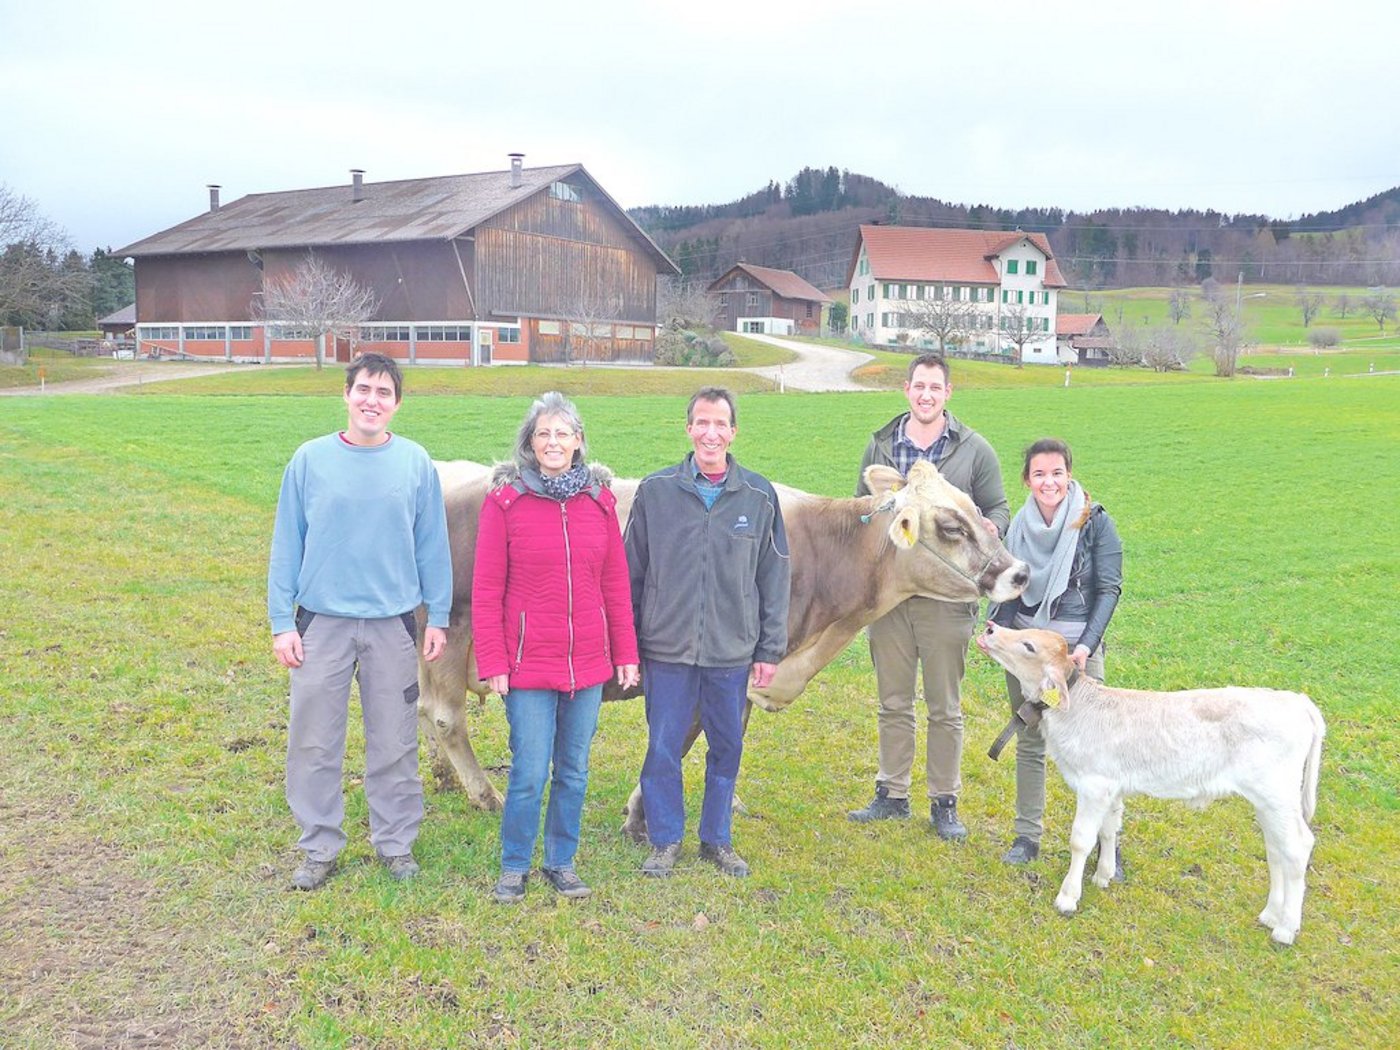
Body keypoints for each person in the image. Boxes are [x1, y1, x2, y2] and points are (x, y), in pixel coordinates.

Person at [268, 352, 452, 891]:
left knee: (394, 739)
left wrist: (436, 616)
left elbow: (432, 549)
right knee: (313, 740)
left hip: (392, 626)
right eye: (364, 389)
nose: (372, 401)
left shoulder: (416, 463)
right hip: (320, 623)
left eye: (384, 393)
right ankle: (319, 844)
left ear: (397, 403)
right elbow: (286, 544)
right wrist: (283, 621)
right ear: (346, 395)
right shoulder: (309, 460)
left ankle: (394, 842)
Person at [472, 392, 640, 903]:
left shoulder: (599, 503)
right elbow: (486, 588)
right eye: (543, 433)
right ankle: (515, 864)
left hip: (587, 662)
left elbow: (615, 583)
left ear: (578, 442)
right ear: (530, 442)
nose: (553, 442)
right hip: (526, 663)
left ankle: (561, 861)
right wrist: (493, 661)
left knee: (574, 769)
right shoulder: (506, 502)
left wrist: (626, 653)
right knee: (527, 770)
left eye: (562, 433)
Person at [625, 387, 790, 878]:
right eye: (702, 423)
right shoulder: (656, 492)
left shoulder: (758, 496)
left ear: (734, 432)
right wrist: (630, 643)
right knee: (663, 745)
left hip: (730, 650)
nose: (711, 433)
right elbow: (631, 572)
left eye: (721, 424)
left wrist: (769, 648)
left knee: (727, 746)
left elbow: (774, 578)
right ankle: (665, 839)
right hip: (667, 647)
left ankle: (716, 839)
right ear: (689, 428)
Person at [847, 353, 1009, 839]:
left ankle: (944, 801)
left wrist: (987, 528)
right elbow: (860, 507)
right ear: (907, 390)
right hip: (891, 596)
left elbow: (999, 506)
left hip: (947, 597)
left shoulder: (974, 449)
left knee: (945, 705)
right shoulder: (880, 444)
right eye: (919, 386)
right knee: (893, 700)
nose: (926, 395)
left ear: (947, 394)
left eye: (935, 388)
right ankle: (892, 793)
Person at [989, 438, 1123, 868]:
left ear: (1069, 474)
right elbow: (1010, 587)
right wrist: (998, 626)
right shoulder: (1018, 528)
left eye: (1057, 473)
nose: (1049, 482)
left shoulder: (1095, 522)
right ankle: (1027, 837)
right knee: (1031, 738)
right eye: (1040, 474)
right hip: (1029, 655)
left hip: (1077, 659)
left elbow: (1108, 588)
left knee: (1097, 753)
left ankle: (1109, 846)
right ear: (1027, 480)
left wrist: (1086, 646)